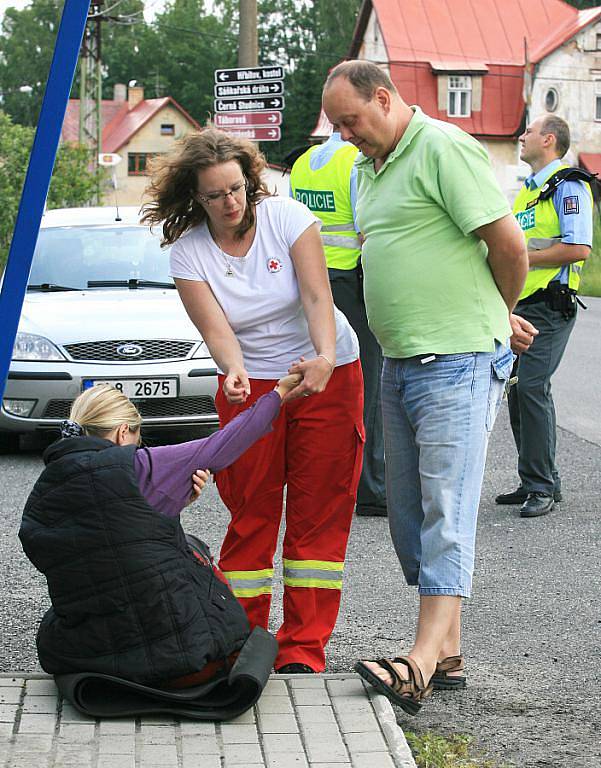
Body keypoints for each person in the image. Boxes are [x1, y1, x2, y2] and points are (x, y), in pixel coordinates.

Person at [322, 60, 535, 714]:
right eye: (336, 125)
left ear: (383, 99)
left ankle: (416, 663)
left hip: (458, 358)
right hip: (399, 358)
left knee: (445, 503)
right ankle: (448, 653)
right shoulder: (365, 168)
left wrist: (494, 315)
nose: (343, 134)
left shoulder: (442, 147)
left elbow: (507, 246)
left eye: (350, 121)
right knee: (409, 514)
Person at [141, 128, 363, 674]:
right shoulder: (188, 251)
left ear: (250, 179)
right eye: (215, 196)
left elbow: (317, 295)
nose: (230, 203)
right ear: (196, 197)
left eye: (236, 189)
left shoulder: (287, 217)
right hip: (252, 387)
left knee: (318, 512)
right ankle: (241, 641)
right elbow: (217, 330)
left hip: (324, 371)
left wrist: (325, 358)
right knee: (251, 510)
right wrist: (233, 370)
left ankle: (303, 650)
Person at [18, 376, 301, 686]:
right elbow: (227, 441)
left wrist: (176, 501)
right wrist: (279, 393)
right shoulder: (141, 466)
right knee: (194, 553)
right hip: (175, 658)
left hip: (87, 651)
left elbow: (114, 540)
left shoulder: (47, 488)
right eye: (136, 440)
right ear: (122, 432)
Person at [495, 115, 594, 518]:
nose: (521, 136)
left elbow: (579, 248)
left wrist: (523, 257)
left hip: (550, 307)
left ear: (549, 140)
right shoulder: (528, 193)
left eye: (529, 132)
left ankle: (542, 487)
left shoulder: (568, 186)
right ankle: (538, 479)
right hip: (523, 305)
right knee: (518, 390)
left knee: (532, 387)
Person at [289, 133, 387, 517]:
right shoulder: (357, 161)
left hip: (311, 279)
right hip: (352, 279)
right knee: (366, 384)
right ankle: (371, 488)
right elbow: (367, 229)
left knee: (320, 385)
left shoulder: (303, 162)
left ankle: (319, 479)